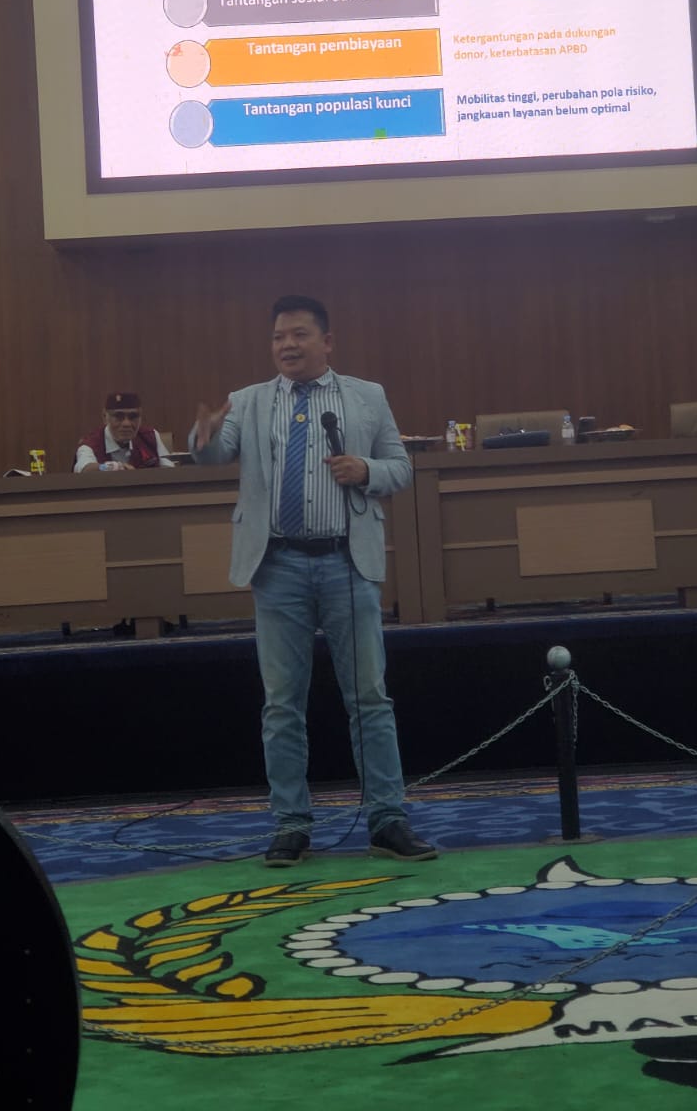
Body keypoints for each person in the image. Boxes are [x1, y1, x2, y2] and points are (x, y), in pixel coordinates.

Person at [190, 294, 436, 867]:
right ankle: (291, 824)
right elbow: (213, 454)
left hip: (346, 562)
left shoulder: (366, 396)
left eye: (299, 335)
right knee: (282, 704)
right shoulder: (249, 401)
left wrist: (366, 470)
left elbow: (401, 467)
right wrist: (203, 436)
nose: (287, 346)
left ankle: (387, 819)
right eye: (279, 337)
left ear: (327, 342)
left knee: (369, 698)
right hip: (277, 566)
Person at [74, 392, 175, 472]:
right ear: (105, 417)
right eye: (118, 416)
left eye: (133, 417)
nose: (126, 423)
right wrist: (114, 467)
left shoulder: (150, 436)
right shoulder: (90, 444)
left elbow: (170, 471)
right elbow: (85, 469)